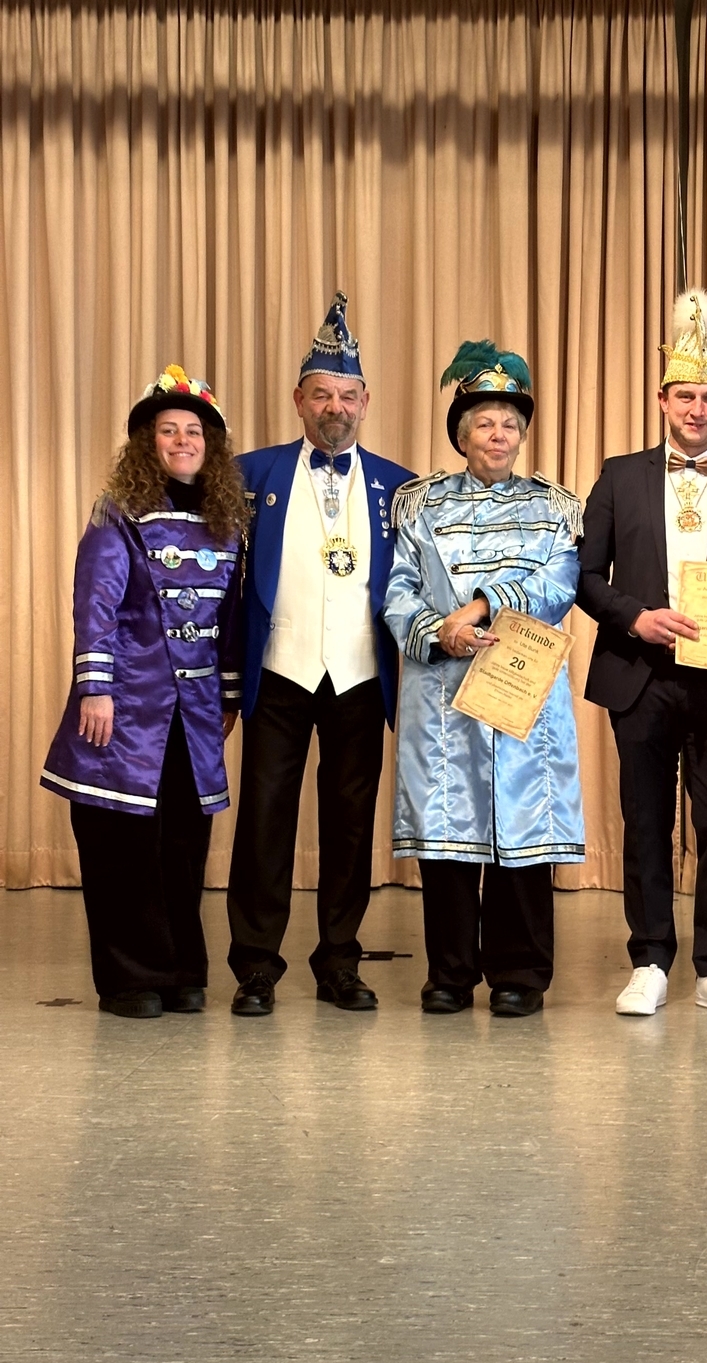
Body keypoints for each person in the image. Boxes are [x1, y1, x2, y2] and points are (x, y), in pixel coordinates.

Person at [578, 289, 707, 1017]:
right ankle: (650, 959)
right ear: (662, 398)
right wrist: (635, 619)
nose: (697, 409)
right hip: (637, 674)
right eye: (685, 396)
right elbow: (584, 576)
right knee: (644, 821)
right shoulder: (618, 474)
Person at [384, 340, 585, 1017]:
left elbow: (558, 584)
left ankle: (519, 973)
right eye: (484, 423)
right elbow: (398, 589)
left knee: (522, 825)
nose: (498, 434)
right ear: (461, 434)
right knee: (447, 830)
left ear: (521, 436)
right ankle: (448, 972)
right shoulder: (419, 506)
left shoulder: (556, 507)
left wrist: (480, 606)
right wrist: (437, 631)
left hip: (522, 686)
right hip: (442, 689)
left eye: (509, 424)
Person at [226, 293, 414, 1017]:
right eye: (321, 394)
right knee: (264, 821)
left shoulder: (399, 485)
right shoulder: (250, 474)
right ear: (298, 400)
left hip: (361, 677)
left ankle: (339, 959)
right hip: (279, 671)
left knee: (349, 823)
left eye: (347, 395)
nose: (335, 407)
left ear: (365, 402)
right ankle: (255, 965)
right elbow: (223, 586)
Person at [41, 366, 245, 1018]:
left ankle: (182, 970)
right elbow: (95, 603)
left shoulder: (227, 520)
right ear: (145, 442)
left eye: (194, 431)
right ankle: (131, 978)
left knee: (183, 845)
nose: (183, 441)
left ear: (211, 446)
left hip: (194, 713)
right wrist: (95, 688)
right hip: (126, 709)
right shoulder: (117, 512)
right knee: (122, 844)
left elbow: (230, 618)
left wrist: (228, 697)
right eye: (169, 430)